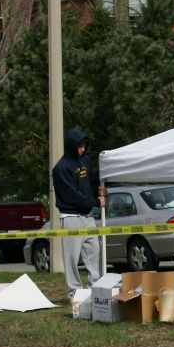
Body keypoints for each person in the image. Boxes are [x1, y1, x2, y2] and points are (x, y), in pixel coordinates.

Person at [52, 128, 106, 299]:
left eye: (84, 146)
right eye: (80, 146)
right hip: (71, 217)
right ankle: (74, 293)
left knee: (94, 251)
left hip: (88, 217)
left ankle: (95, 289)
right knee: (71, 257)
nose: (83, 149)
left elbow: (91, 181)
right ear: (71, 146)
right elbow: (72, 195)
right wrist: (95, 202)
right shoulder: (61, 168)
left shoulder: (85, 161)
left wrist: (100, 191)